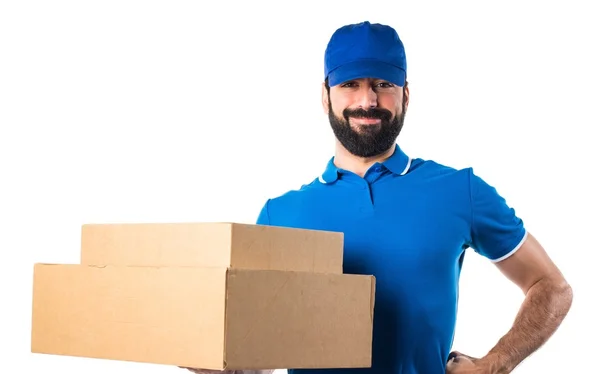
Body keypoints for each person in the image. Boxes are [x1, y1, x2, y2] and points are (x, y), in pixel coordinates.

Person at [184, 20, 573, 374]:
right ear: (325, 96)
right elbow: (261, 354)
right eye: (350, 84)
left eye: (382, 85)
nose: (367, 101)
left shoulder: (459, 191)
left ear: (405, 94)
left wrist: (494, 364)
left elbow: (551, 287)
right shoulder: (280, 214)